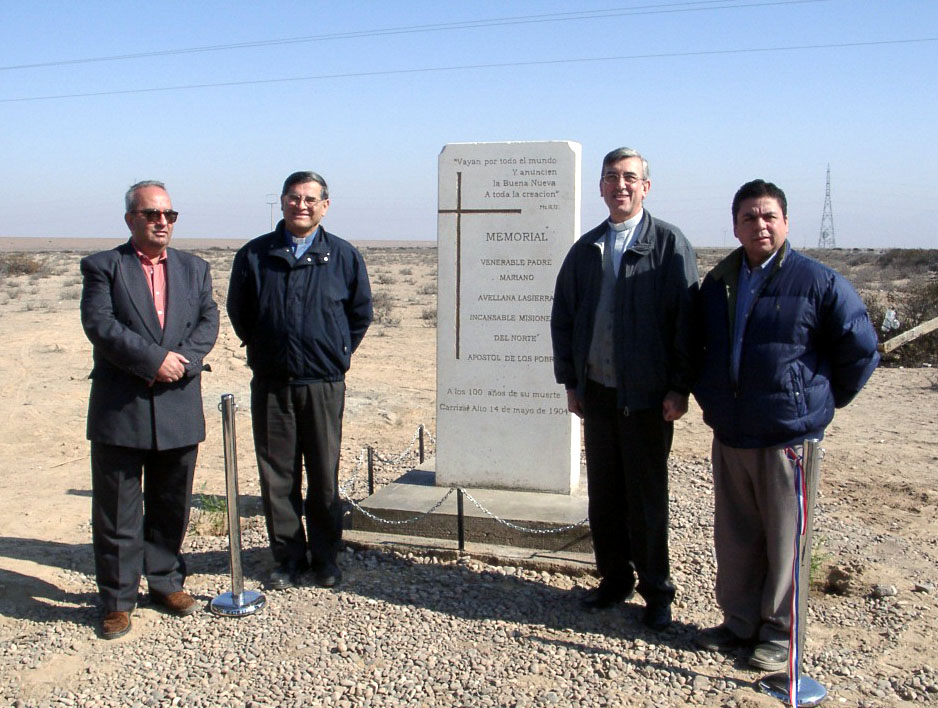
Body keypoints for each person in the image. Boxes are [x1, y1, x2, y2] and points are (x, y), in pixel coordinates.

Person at [692, 179, 879, 671]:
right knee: (735, 537)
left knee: (786, 540)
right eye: (749, 217)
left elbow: (860, 349)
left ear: (786, 222)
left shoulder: (817, 281)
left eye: (769, 216)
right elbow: (698, 347)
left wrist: (815, 403)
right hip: (732, 433)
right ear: (735, 226)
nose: (760, 225)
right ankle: (739, 624)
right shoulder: (719, 284)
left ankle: (780, 635)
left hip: (786, 439)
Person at [550, 147, 699, 630]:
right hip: (598, 393)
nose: (621, 185)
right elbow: (564, 319)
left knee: (647, 498)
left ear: (646, 186)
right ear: (600, 187)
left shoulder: (670, 244)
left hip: (649, 398)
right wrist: (571, 382)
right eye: (612, 177)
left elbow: (686, 324)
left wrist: (680, 388)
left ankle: (657, 591)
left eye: (630, 177)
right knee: (605, 497)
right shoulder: (586, 249)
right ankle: (615, 579)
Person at [80, 180, 219, 639]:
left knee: (170, 504)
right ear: (130, 219)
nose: (162, 222)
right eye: (151, 214)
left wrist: (184, 362)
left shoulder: (195, 269)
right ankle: (117, 600)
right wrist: (153, 360)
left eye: (169, 215)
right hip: (122, 407)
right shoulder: (104, 267)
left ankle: (164, 582)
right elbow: (101, 325)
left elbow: (207, 322)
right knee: (117, 509)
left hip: (179, 404)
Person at [227, 171, 372, 591]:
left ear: (325, 205)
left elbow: (359, 315)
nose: (301, 205)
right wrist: (267, 347)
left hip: (323, 383)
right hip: (272, 382)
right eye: (294, 198)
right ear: (282, 202)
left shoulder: (343, 256)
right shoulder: (255, 255)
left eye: (311, 199)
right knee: (278, 476)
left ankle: (326, 557)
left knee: (324, 473)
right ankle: (288, 557)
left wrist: (335, 352)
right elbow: (242, 313)